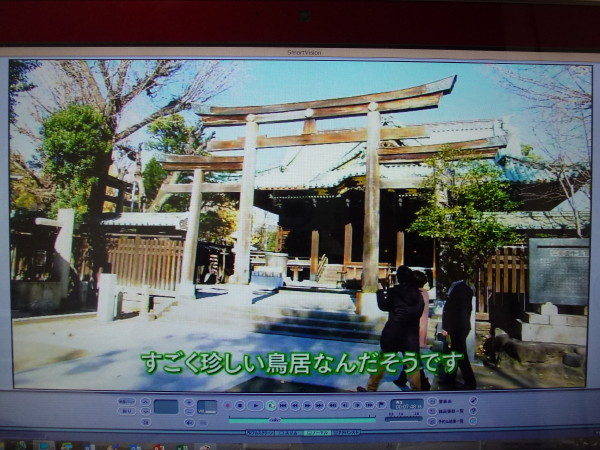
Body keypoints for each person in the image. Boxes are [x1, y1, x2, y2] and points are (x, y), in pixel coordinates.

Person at [358, 265, 424, 391]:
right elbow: (418, 313)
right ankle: (417, 391)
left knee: (382, 361)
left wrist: (380, 291)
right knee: (412, 365)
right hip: (411, 334)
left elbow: (383, 305)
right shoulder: (419, 295)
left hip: (394, 332)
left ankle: (371, 389)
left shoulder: (395, 292)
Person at [440, 279, 477, 390]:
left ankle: (470, 381)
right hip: (459, 326)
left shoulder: (460, 289)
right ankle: (450, 379)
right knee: (455, 354)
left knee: (460, 355)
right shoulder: (461, 288)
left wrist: (448, 327)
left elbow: (455, 311)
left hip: (458, 326)